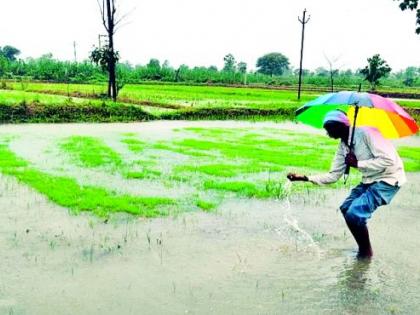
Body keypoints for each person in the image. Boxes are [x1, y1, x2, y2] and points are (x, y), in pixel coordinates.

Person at [287, 110, 406, 259]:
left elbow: (389, 160)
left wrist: (358, 163)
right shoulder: (344, 145)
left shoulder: (368, 133)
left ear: (340, 126)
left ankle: (365, 253)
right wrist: (304, 178)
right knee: (346, 208)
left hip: (388, 178)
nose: (327, 134)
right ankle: (363, 249)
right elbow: (333, 175)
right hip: (370, 180)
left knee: (354, 214)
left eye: (329, 129)